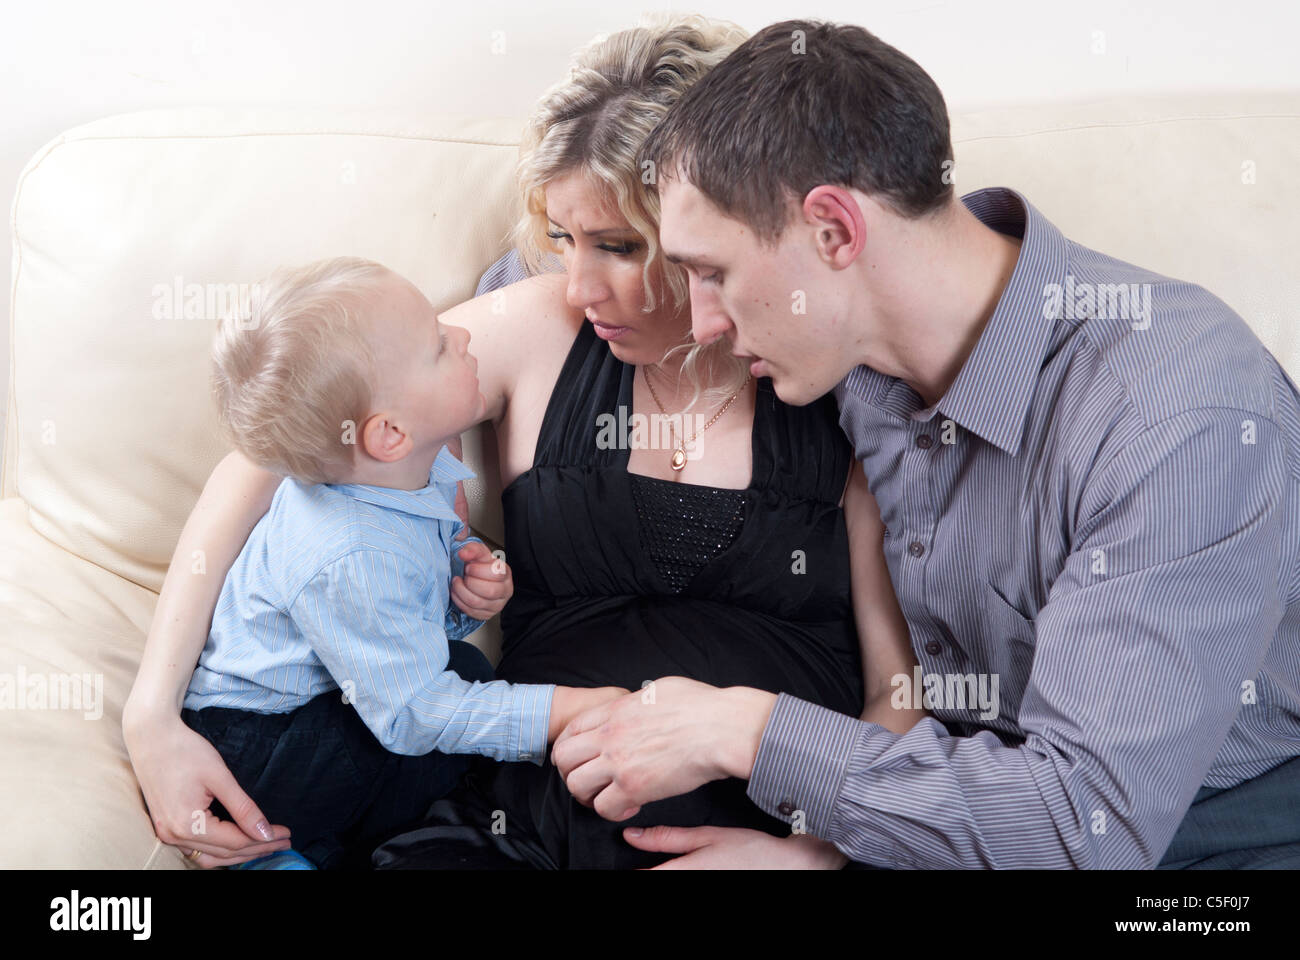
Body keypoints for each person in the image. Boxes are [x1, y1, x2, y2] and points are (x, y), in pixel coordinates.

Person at [122, 14, 927, 870]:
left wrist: (818, 853)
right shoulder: (541, 330)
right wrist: (152, 717)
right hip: (519, 834)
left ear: (705, 228)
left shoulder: (829, 377)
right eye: (563, 242)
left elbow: (898, 692)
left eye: (618, 246)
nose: (579, 285)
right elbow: (276, 448)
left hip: (753, 838)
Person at [551, 18, 1300, 869]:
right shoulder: (848, 344)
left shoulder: (1174, 418)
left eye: (712, 272)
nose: (701, 321)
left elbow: (1081, 826)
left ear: (834, 231)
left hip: (1201, 836)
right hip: (959, 812)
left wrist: (745, 731)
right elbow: (555, 294)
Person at [178, 257, 624, 868]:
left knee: (464, 666)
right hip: (257, 744)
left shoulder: (415, 466)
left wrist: (461, 601)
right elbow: (412, 713)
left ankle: (332, 837)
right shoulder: (350, 551)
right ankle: (282, 849)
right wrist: (557, 709)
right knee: (449, 733)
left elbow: (403, 629)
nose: (465, 336)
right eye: (440, 347)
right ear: (388, 434)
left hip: (329, 691)